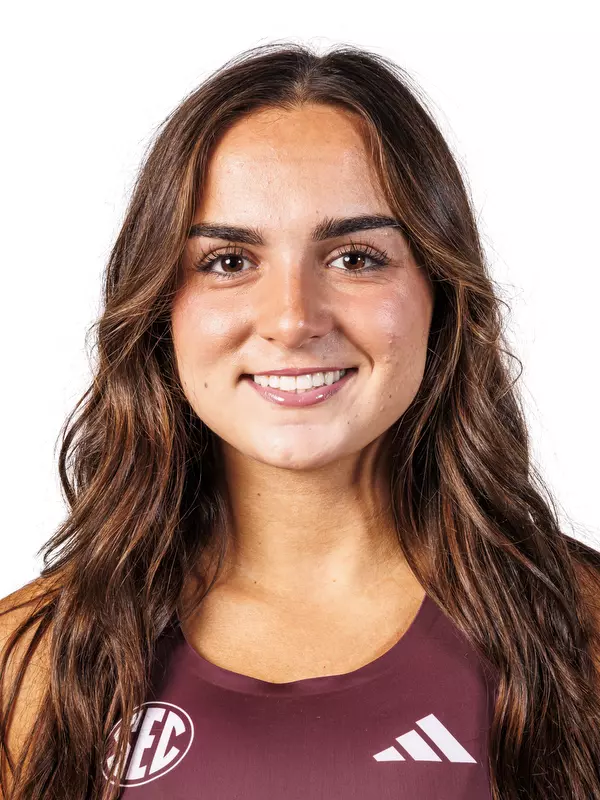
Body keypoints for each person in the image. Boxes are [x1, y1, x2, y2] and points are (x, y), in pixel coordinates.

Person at [1, 41, 599, 800]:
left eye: (354, 258)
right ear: (159, 309)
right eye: (227, 261)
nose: (291, 319)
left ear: (440, 295)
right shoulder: (34, 658)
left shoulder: (578, 627)